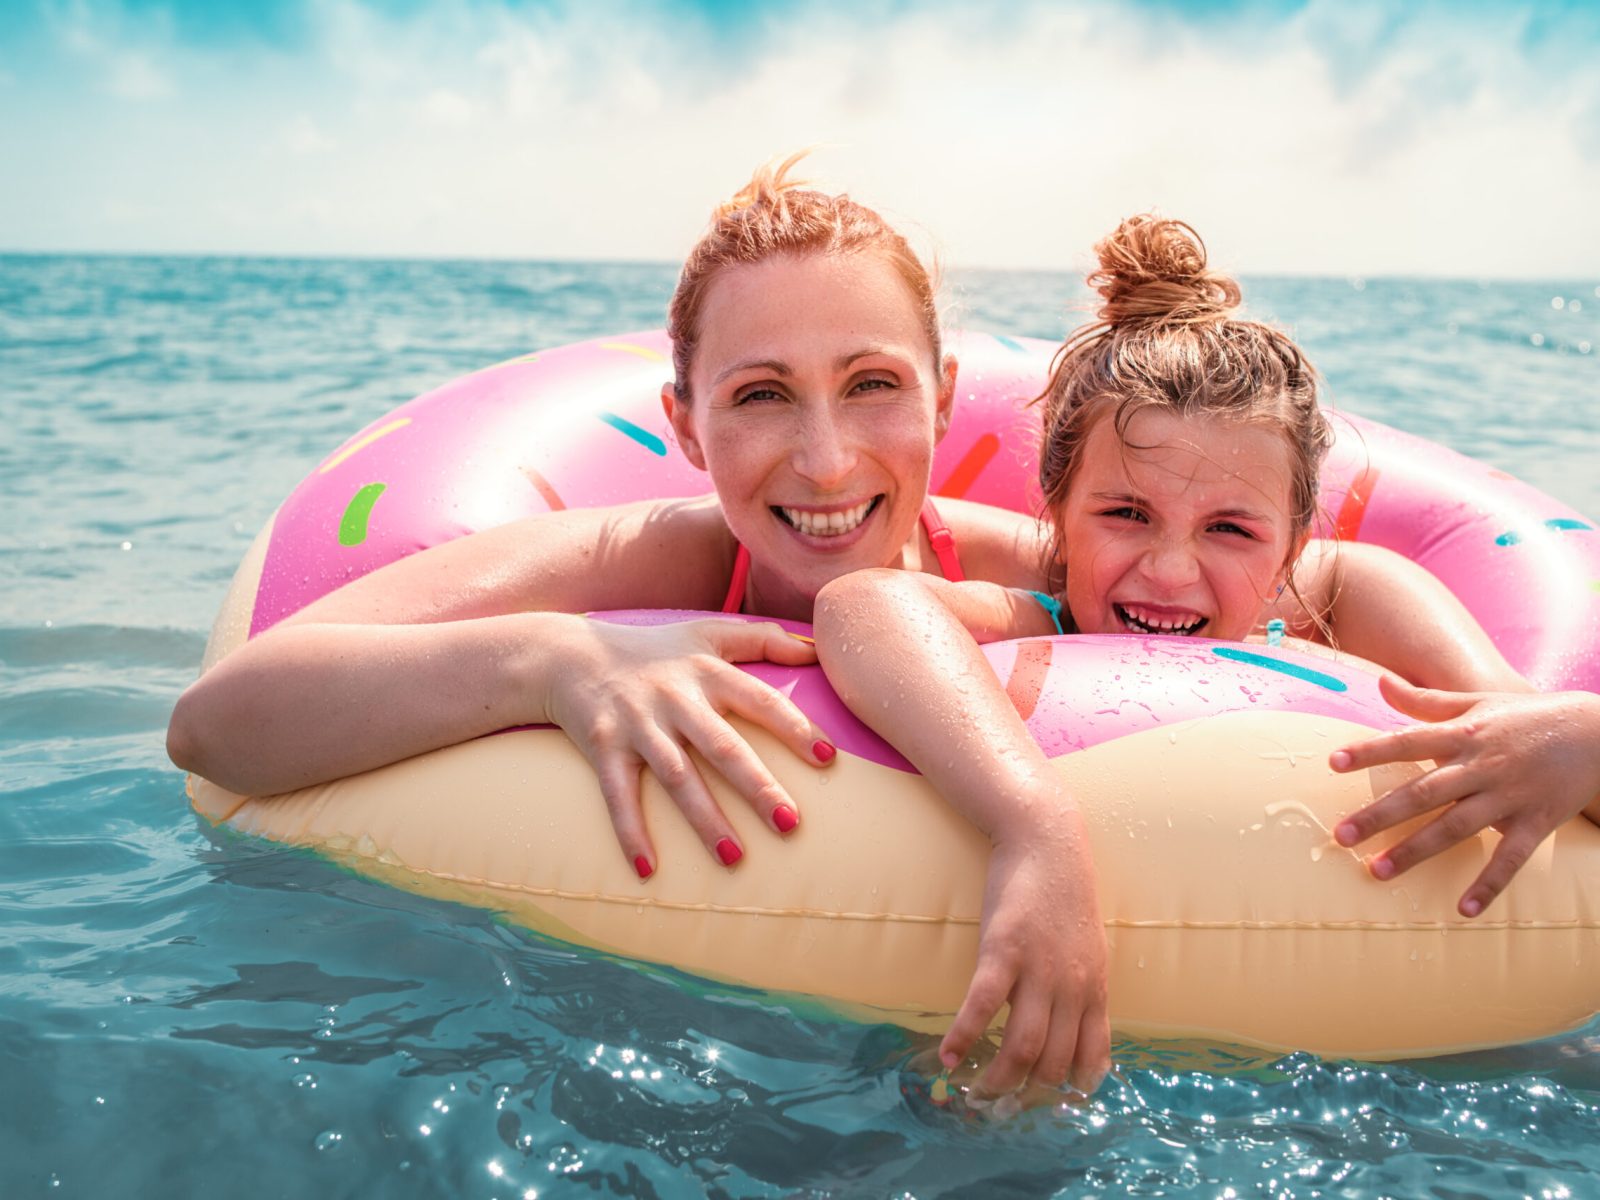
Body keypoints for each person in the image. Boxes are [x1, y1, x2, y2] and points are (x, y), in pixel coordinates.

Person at [813, 214, 1600, 1087]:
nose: (1170, 568)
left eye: (1229, 529)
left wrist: (1584, 741)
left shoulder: (1355, 597)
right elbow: (861, 606)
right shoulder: (1038, 622)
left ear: (1293, 548)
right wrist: (1032, 824)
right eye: (1125, 514)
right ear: (1057, 515)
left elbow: (1508, 717)